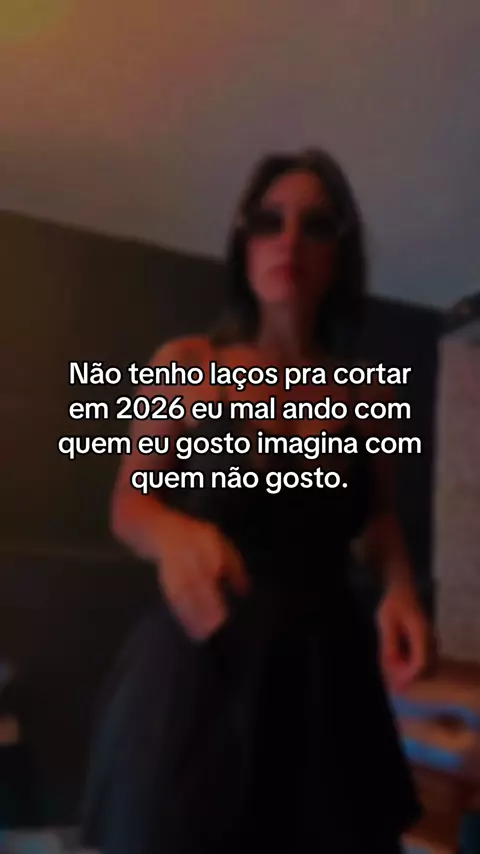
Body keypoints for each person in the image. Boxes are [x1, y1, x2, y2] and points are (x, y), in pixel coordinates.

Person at [81, 148, 431, 853]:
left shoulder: (368, 395)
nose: (289, 239)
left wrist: (399, 589)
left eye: (316, 225)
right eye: (269, 221)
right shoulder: (187, 364)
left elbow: (379, 518)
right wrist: (172, 535)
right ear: (244, 243)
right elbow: (129, 502)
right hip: (200, 671)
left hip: (327, 679)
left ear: (340, 255)